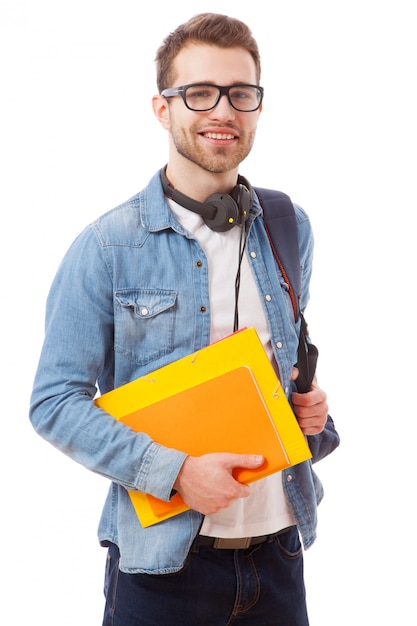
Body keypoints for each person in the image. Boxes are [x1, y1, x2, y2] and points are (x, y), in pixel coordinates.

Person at [30, 12, 340, 626]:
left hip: (279, 558)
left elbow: (273, 369)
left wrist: (310, 413)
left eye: (240, 93)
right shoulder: (107, 246)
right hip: (164, 575)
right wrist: (173, 473)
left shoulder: (288, 226)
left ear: (257, 105)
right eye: (199, 93)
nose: (222, 110)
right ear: (162, 108)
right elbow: (54, 402)